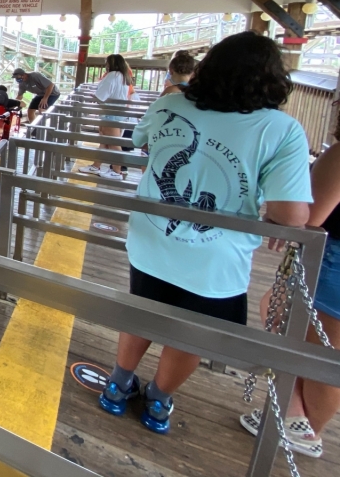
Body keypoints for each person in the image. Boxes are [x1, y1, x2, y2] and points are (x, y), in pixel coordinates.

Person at [99, 32, 312, 435]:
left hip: (152, 235)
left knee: (142, 308)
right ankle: (158, 399)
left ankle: (118, 384)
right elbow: (290, 212)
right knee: (192, 334)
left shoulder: (170, 104)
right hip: (216, 256)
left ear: (208, 69)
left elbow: (140, 141)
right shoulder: (281, 130)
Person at [239, 113, 340, 458]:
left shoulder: (338, 155)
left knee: (321, 353)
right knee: (314, 342)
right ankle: (295, 417)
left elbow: (309, 216)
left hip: (332, 264)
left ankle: (302, 426)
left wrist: (282, 216)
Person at [78, 54, 133, 180]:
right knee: (104, 142)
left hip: (110, 112)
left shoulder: (112, 75)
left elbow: (101, 96)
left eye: (107, 63)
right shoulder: (123, 76)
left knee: (114, 144)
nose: (106, 65)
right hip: (116, 112)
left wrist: (94, 96)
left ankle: (117, 171)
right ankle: (96, 166)